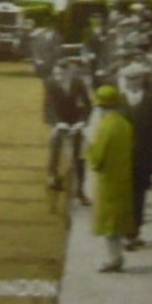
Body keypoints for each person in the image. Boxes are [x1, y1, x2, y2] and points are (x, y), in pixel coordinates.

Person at [85, 84, 136, 272]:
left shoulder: (105, 127)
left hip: (107, 179)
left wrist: (88, 148)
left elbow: (96, 158)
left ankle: (113, 258)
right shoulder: (124, 124)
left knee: (108, 223)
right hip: (123, 176)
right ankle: (117, 256)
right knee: (118, 219)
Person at [117, 60, 152, 251]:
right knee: (123, 195)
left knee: (139, 196)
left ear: (142, 79)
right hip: (121, 157)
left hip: (144, 157)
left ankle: (133, 232)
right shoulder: (118, 101)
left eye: (135, 78)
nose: (132, 82)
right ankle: (125, 231)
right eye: (128, 78)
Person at [44, 56, 92, 202]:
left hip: (75, 122)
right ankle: (53, 176)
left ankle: (80, 190)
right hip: (59, 122)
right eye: (56, 74)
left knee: (80, 154)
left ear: (68, 73)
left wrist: (82, 123)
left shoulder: (78, 83)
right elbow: (48, 107)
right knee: (55, 143)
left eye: (61, 74)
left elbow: (88, 106)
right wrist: (57, 123)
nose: (58, 77)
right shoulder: (50, 83)